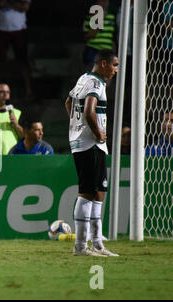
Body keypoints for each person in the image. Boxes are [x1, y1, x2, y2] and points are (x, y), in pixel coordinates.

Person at [65, 49, 119, 257]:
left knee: (98, 194)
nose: (116, 70)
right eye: (114, 65)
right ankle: (80, 246)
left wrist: (75, 126)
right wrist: (98, 133)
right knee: (87, 193)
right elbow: (89, 111)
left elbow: (68, 102)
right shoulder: (96, 83)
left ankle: (97, 243)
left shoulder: (83, 78)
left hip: (86, 142)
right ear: (103, 64)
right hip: (90, 144)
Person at [0, 0, 32, 98]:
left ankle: (29, 91)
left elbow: (25, 7)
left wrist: (8, 3)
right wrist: (17, 5)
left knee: (23, 61)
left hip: (19, 29)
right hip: (2, 30)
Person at [82, 0, 117, 71]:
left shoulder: (111, 17)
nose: (104, 3)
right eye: (101, 1)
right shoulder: (90, 17)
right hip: (93, 50)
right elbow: (89, 35)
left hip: (107, 51)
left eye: (106, 1)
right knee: (93, 74)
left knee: (107, 74)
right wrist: (100, 19)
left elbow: (112, 34)